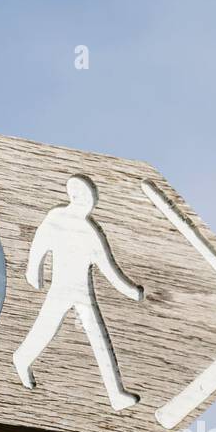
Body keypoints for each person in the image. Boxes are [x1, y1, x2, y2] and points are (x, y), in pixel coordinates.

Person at [13, 176, 143, 411]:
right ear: (73, 196)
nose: (87, 202)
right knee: (45, 331)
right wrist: (34, 272)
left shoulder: (88, 230)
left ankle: (115, 395)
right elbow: (40, 244)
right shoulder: (57, 218)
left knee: (98, 340)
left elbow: (107, 267)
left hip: (82, 294)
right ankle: (22, 359)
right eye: (82, 196)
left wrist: (130, 291)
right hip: (61, 291)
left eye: (89, 198)